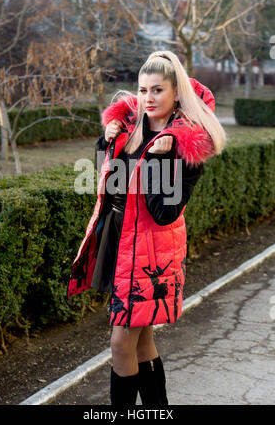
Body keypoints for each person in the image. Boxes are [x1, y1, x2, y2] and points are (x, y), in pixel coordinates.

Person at [67, 50, 226, 406]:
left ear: (175, 94)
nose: (148, 98)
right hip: (120, 241)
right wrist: (106, 142)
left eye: (157, 90)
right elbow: (108, 182)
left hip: (152, 252)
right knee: (141, 341)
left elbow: (165, 212)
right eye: (142, 90)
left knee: (120, 342)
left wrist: (158, 159)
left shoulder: (186, 145)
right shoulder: (130, 127)